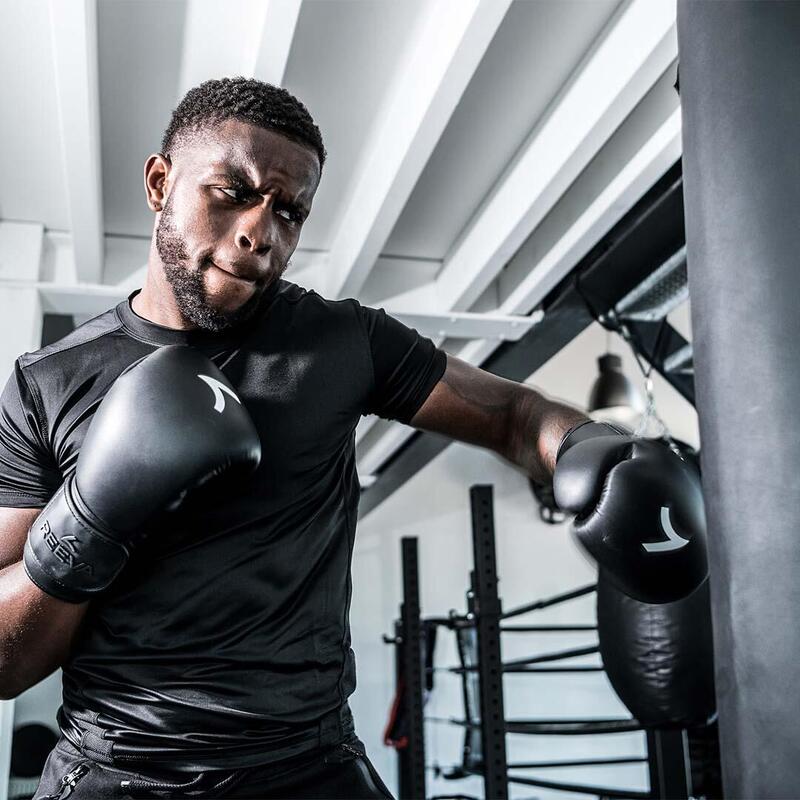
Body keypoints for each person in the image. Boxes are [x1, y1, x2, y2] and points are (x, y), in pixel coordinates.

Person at [0, 78, 703, 799]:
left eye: (289, 211)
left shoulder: (340, 341)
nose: (259, 231)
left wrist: (589, 447)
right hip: (121, 769)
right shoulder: (46, 385)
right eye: (230, 191)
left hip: (310, 761)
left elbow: (514, 416)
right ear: (159, 183)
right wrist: (89, 516)